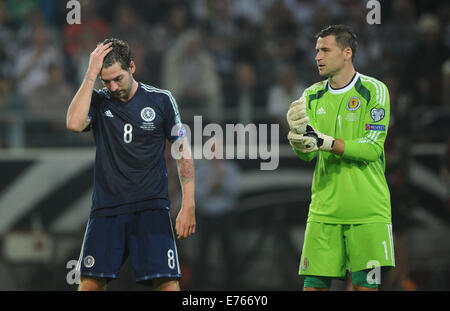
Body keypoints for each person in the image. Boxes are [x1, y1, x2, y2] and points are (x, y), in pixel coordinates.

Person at [66, 38, 196, 291]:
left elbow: (183, 151)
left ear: (132, 68)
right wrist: (90, 75)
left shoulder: (161, 100)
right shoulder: (98, 100)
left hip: (151, 208)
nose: (113, 86)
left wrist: (188, 203)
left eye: (118, 78)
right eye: (107, 81)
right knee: (90, 284)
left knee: (167, 284)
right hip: (106, 209)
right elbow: (73, 123)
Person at [286, 25, 394, 291]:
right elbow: (307, 156)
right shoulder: (310, 95)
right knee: (312, 287)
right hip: (323, 210)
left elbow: (372, 148)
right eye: (316, 51)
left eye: (325, 49)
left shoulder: (374, 90)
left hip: (367, 211)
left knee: (364, 288)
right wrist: (298, 140)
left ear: (347, 52)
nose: (317, 56)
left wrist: (327, 142)